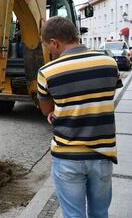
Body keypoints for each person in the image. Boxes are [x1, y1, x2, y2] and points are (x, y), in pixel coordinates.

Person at [37, 16, 123, 218]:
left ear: (55, 42)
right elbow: (104, 98)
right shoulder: (109, 63)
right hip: (102, 155)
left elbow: (46, 109)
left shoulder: (47, 72)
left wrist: (58, 111)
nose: (49, 51)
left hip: (67, 157)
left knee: (73, 216)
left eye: (48, 46)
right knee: (100, 213)